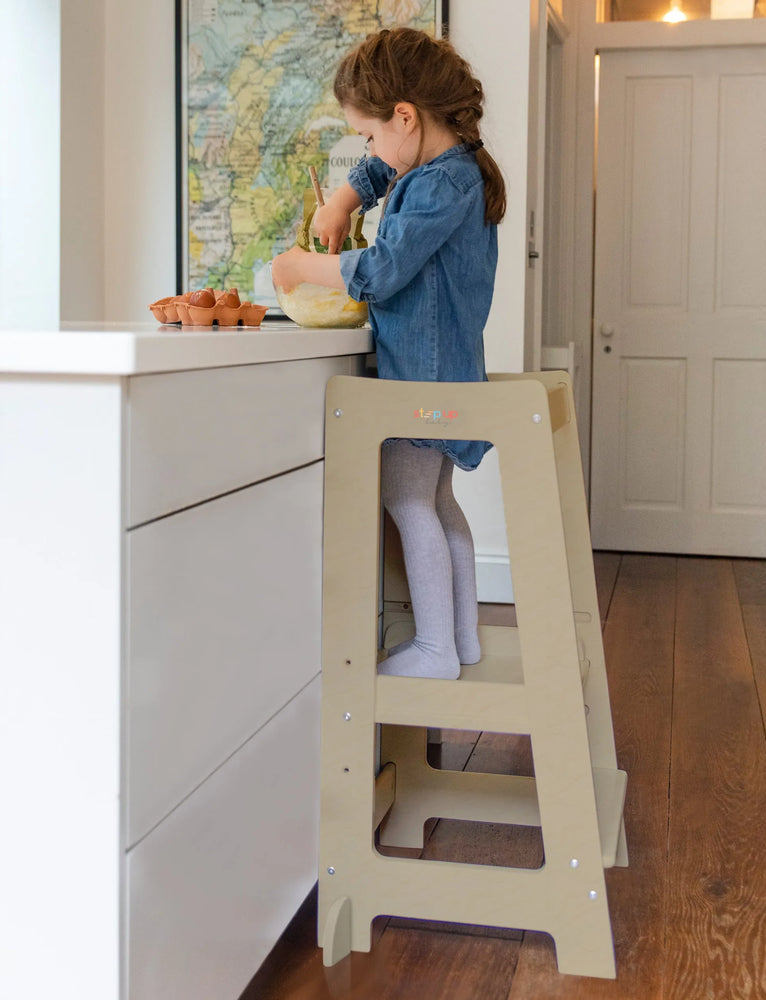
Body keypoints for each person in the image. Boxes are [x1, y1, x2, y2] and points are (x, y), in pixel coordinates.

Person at [272, 27, 506, 680]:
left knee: (407, 504)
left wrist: (300, 267)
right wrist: (345, 199)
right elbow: (385, 168)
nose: (370, 151)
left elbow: (380, 272)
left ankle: (434, 650)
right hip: (448, 377)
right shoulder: (451, 165)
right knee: (437, 503)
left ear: (406, 117)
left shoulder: (436, 187)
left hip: (420, 380)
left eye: (369, 135)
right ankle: (461, 640)